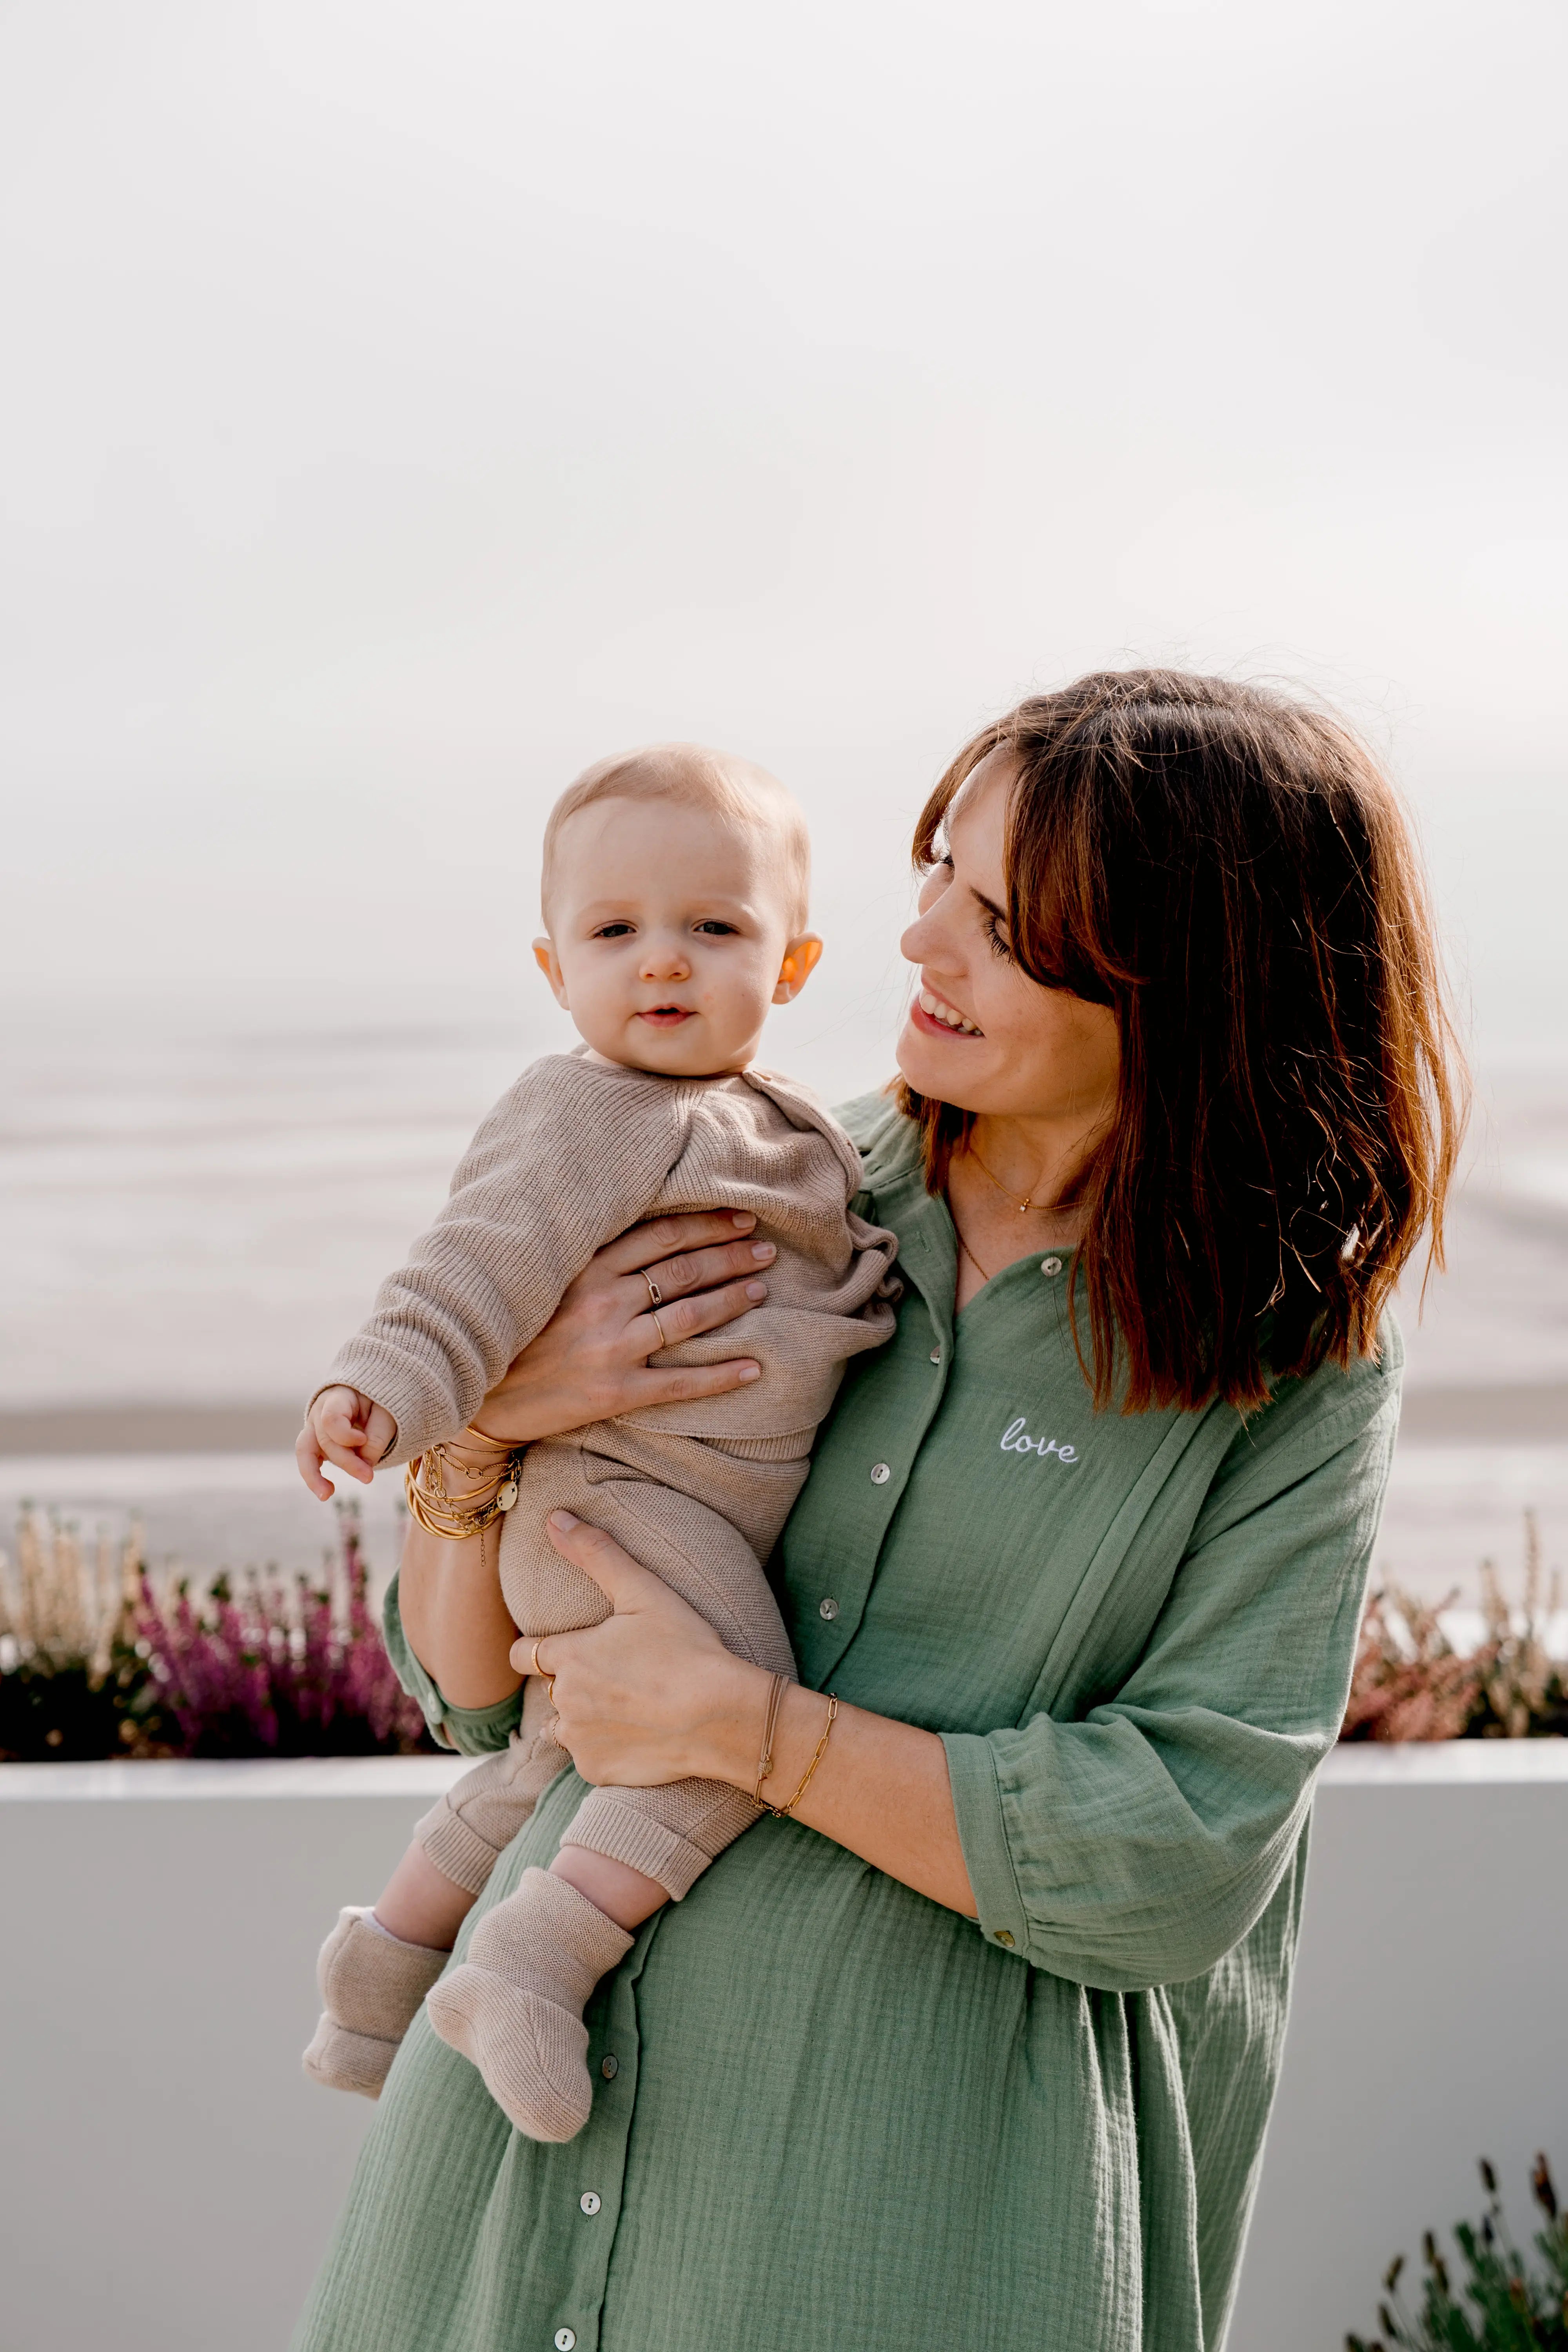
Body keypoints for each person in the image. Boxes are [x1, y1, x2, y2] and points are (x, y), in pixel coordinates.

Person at [293, 671, 1464, 2352]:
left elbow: (1181, 1846)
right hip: (500, 2193)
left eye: (1002, 921)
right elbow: (476, 1692)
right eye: (935, 871)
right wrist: (486, 1429)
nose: (919, 942)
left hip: (905, 2225)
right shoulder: (745, 1197)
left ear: (1188, 981)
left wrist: (758, 1733)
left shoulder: (1294, 1369)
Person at [296, 743, 897, 2141]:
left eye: (715, 928)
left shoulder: (770, 1121)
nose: (662, 964)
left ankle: (378, 1967)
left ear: (793, 964)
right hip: (614, 1511)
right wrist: (383, 1388)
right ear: (554, 965)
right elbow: (470, 1268)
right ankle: (534, 1958)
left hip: (651, 1508)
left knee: (550, 1761)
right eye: (615, 932)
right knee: (727, 1708)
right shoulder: (590, 1113)